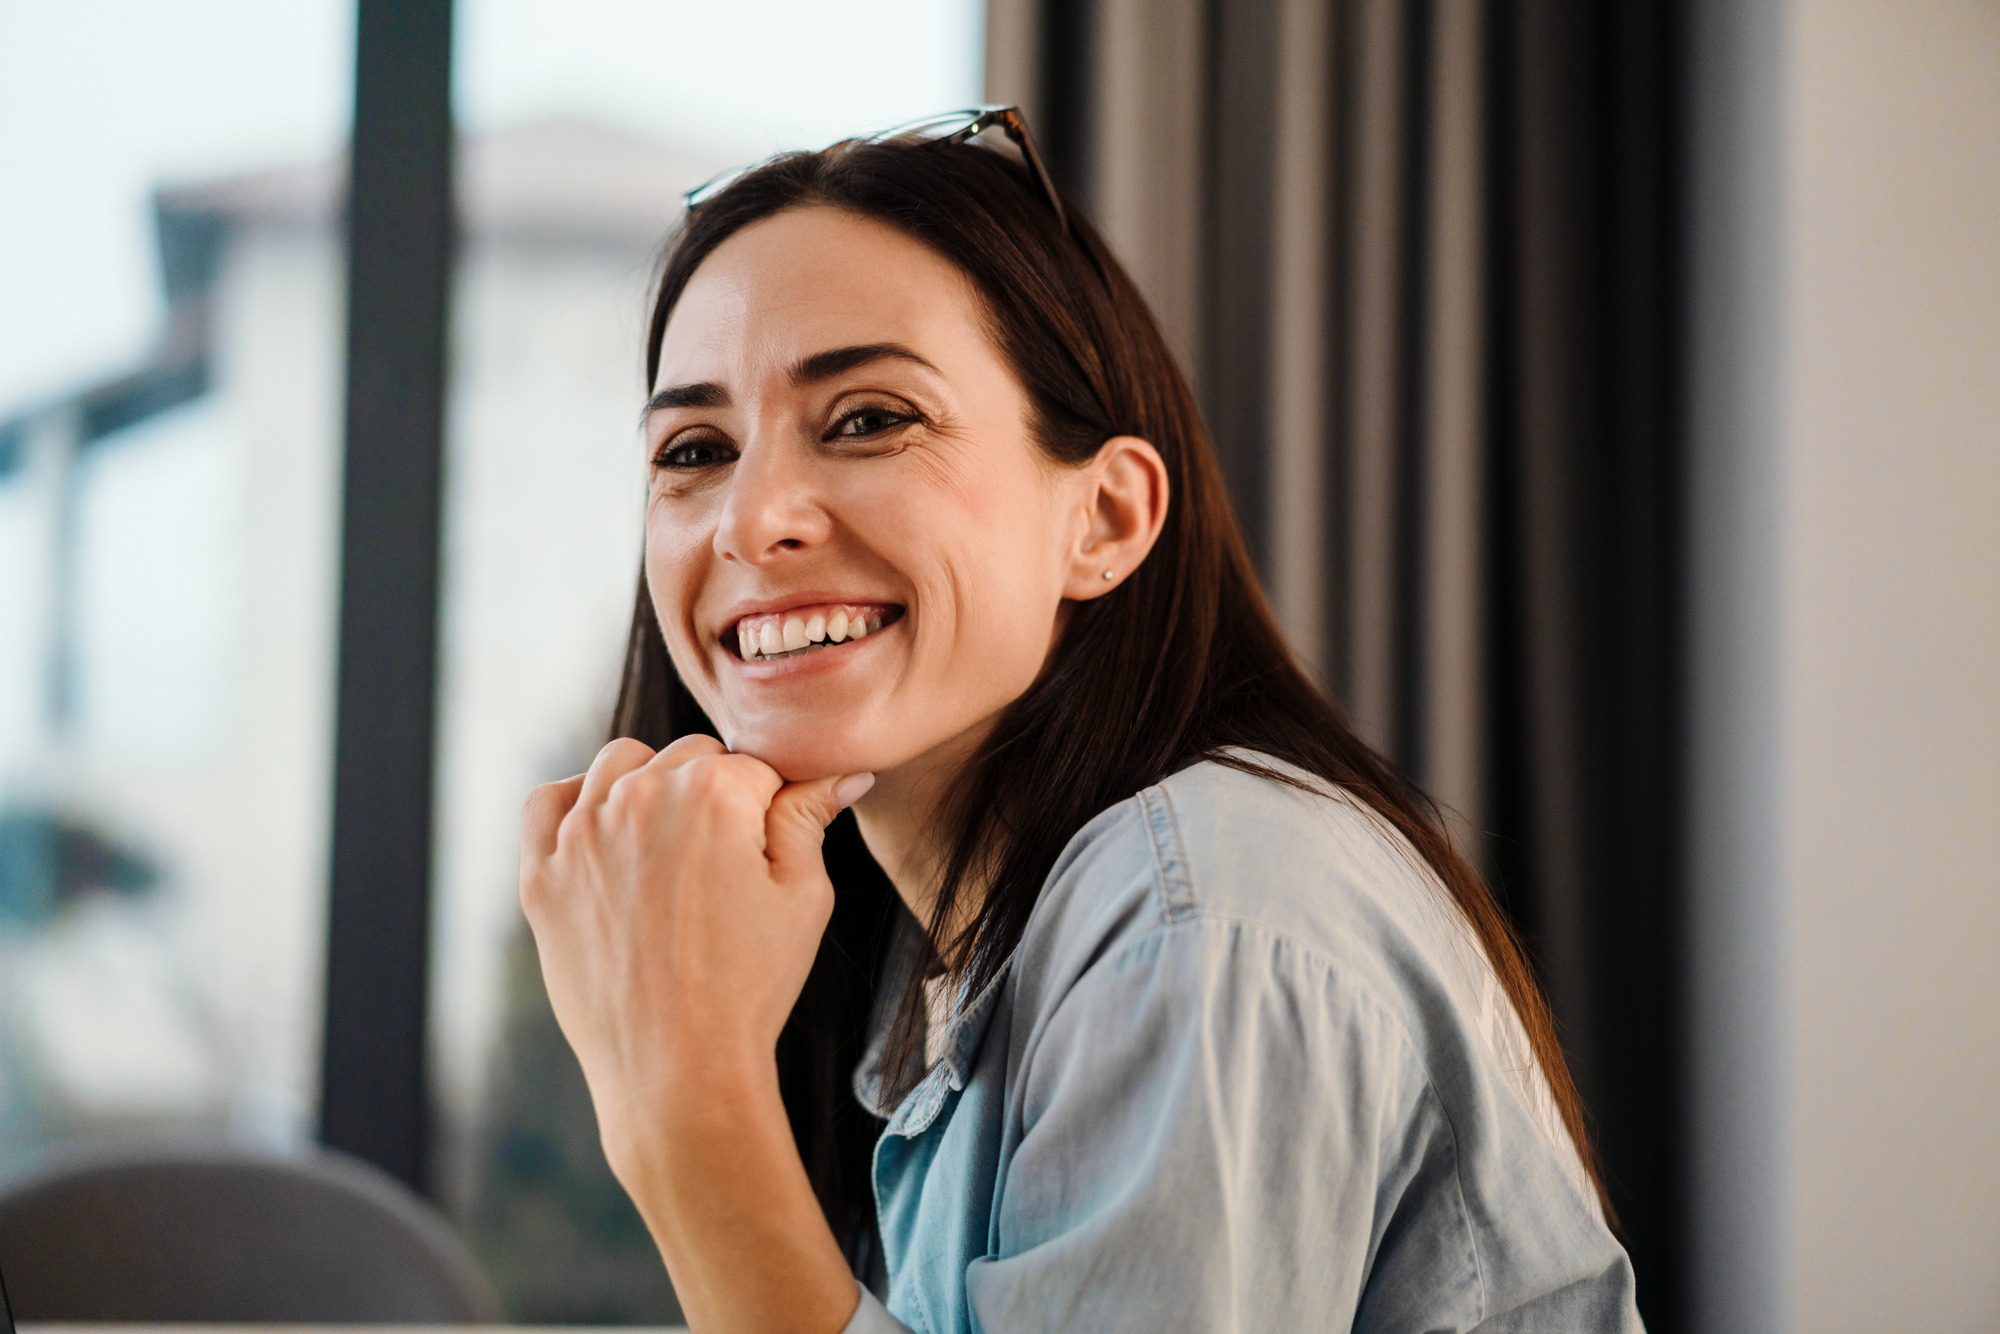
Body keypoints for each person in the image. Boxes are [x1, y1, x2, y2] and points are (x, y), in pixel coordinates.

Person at [519, 108, 1643, 1333]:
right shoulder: (948, 962)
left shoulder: (1196, 911)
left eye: (867, 419)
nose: (750, 521)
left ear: (1103, 517)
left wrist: (687, 1116)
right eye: (693, 448)